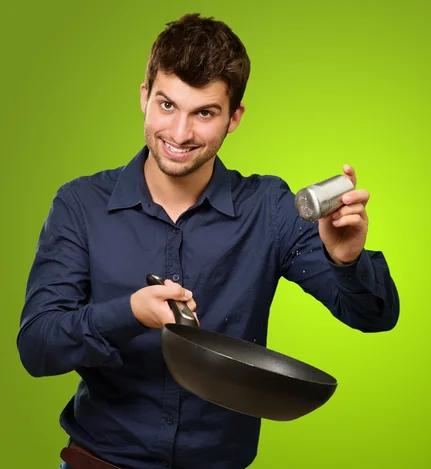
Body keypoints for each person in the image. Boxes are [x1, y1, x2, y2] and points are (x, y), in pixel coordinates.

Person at [17, 12, 400, 469]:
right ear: (144, 97)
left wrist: (346, 259)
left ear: (234, 117)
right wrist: (130, 313)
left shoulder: (269, 210)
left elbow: (375, 317)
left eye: (203, 113)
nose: (179, 134)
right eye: (166, 105)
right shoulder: (81, 205)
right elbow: (38, 346)